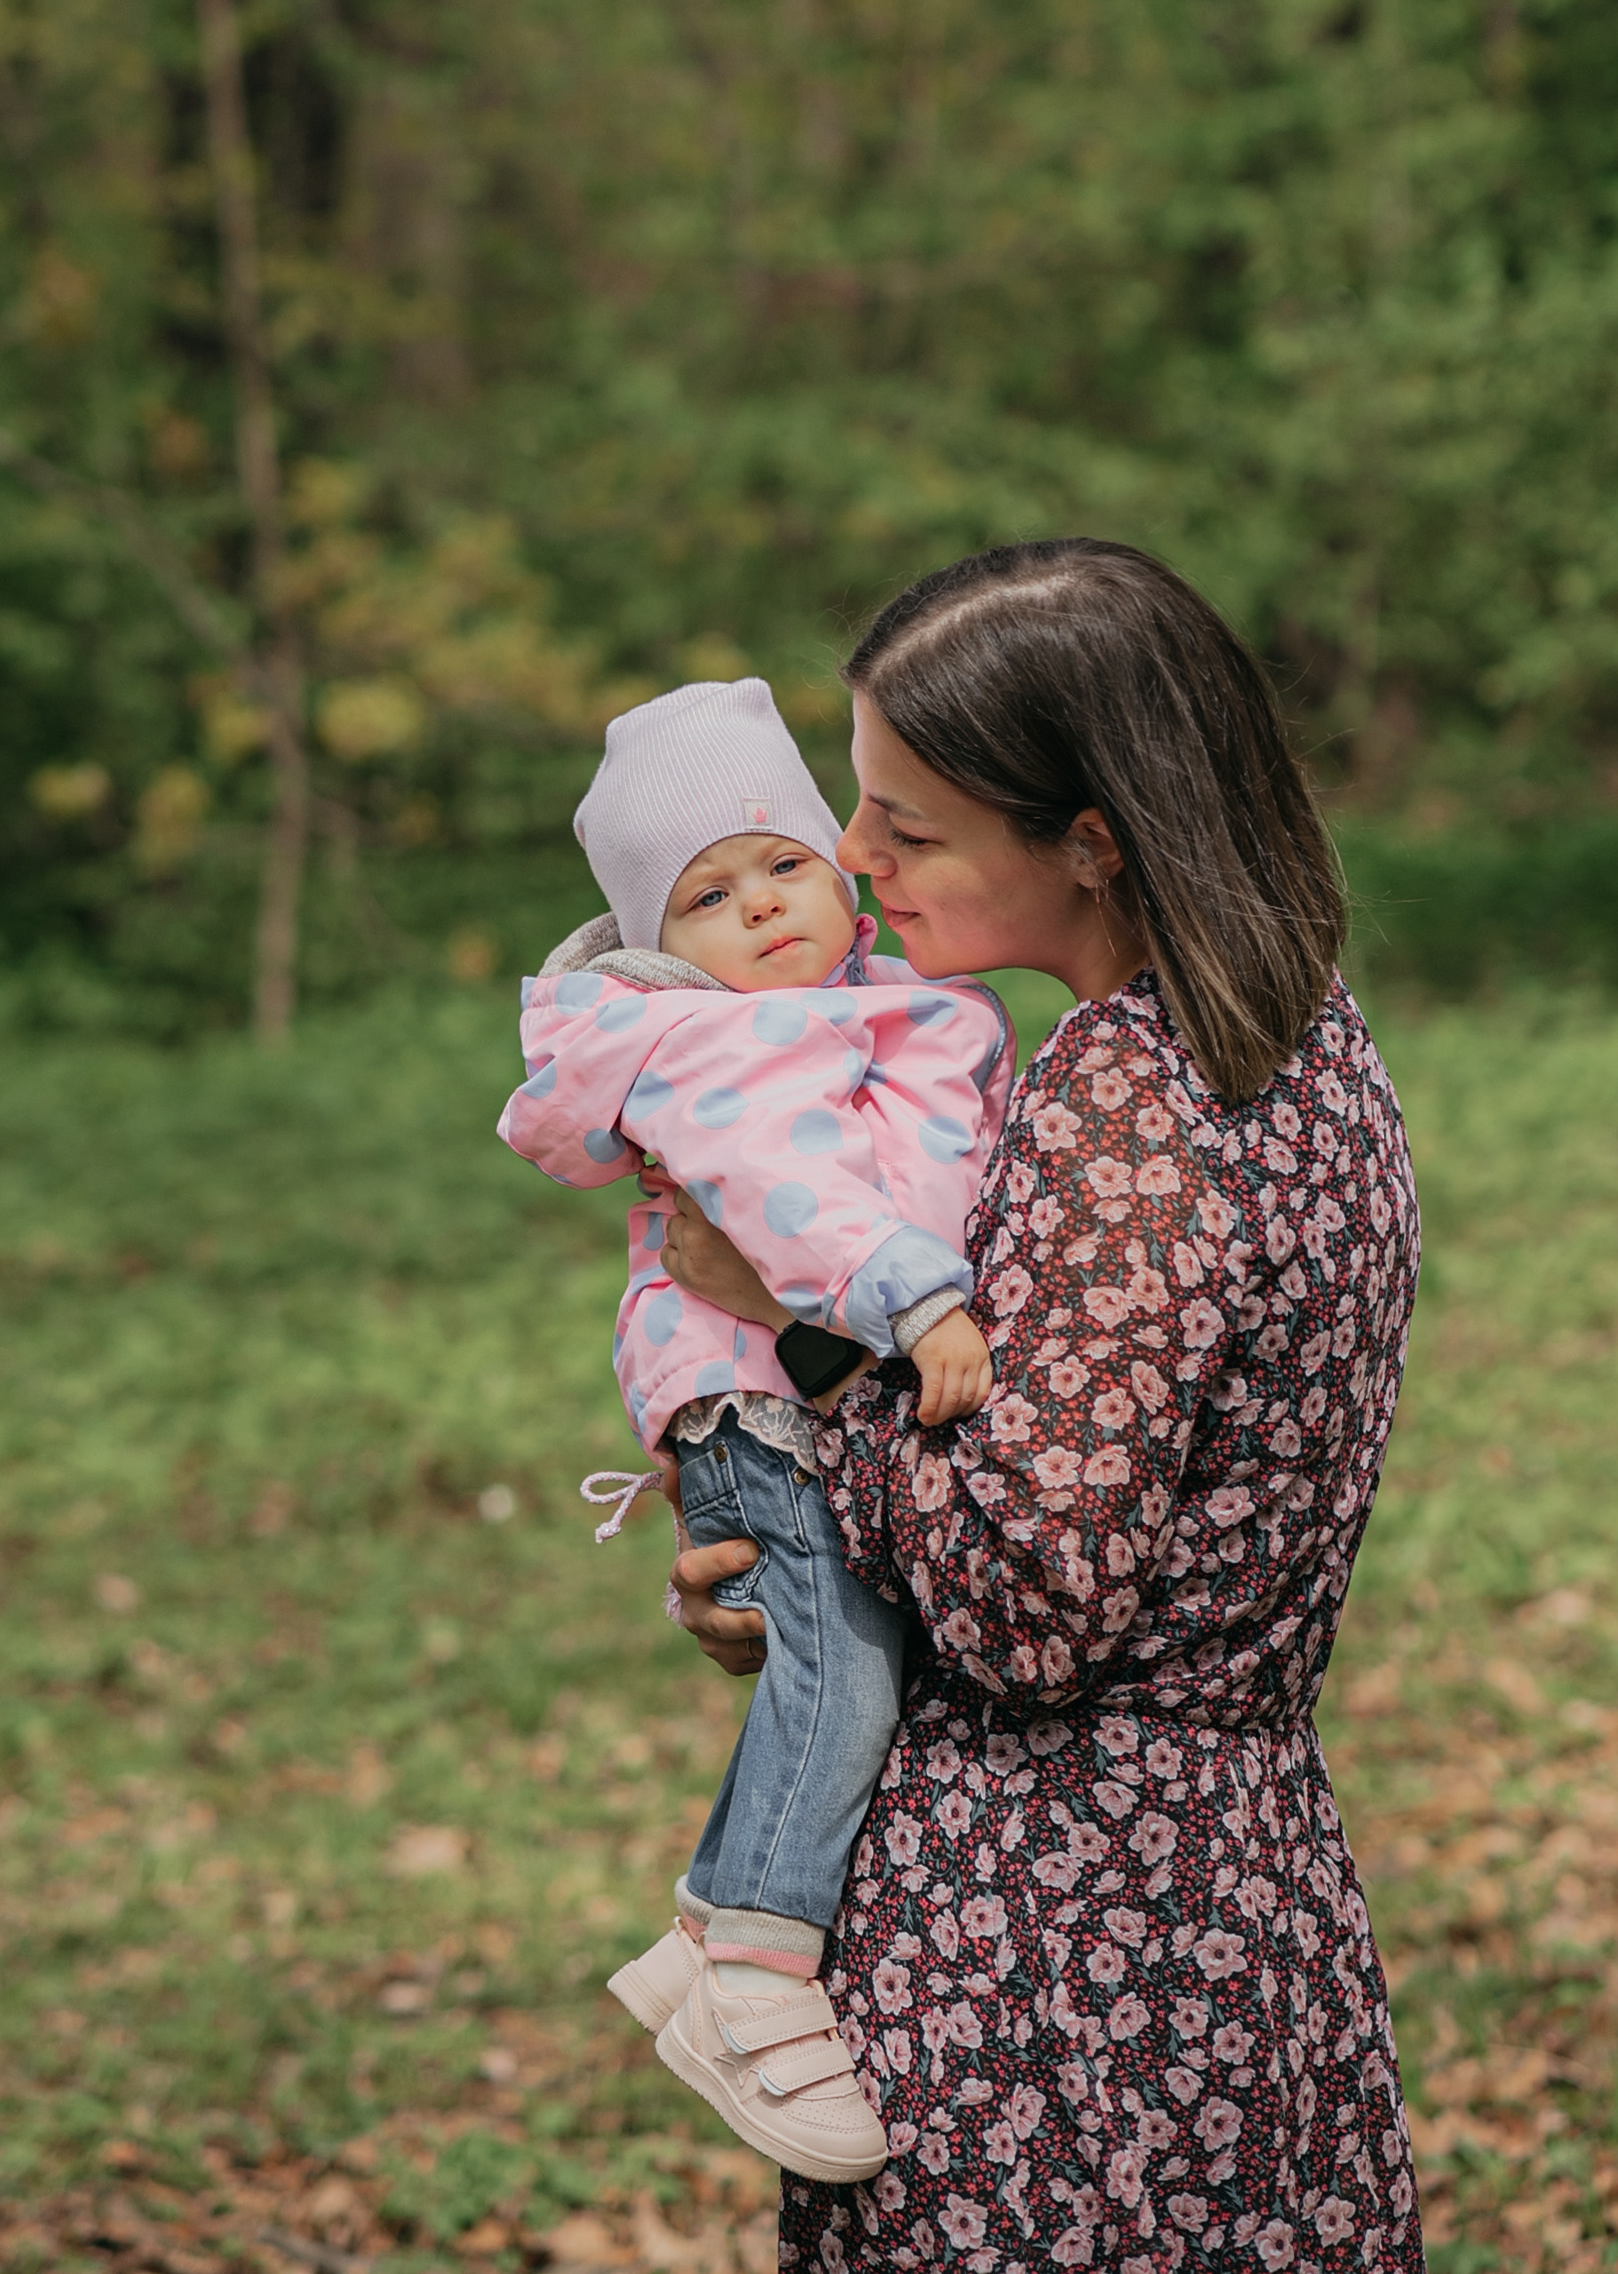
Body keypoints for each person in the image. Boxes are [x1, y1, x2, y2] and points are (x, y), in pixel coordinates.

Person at [650, 541, 1424, 2274]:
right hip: (1246, 1904)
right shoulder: (1312, 1046)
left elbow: (1027, 1605)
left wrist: (807, 1341)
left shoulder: (1120, 1098)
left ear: (1089, 841)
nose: (853, 859)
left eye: (908, 827)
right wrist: (809, 1577)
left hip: (1046, 1948)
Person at [497, 677, 1014, 2182]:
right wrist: (919, 1301)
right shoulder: (717, 1045)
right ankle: (760, 1973)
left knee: (833, 1650)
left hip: (803, 1377)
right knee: (843, 1657)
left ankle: (704, 1925)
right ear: (667, 947)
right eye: (710, 897)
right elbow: (783, 1199)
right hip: (758, 1392)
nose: (763, 906)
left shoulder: (868, 1009)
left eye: (782, 862)